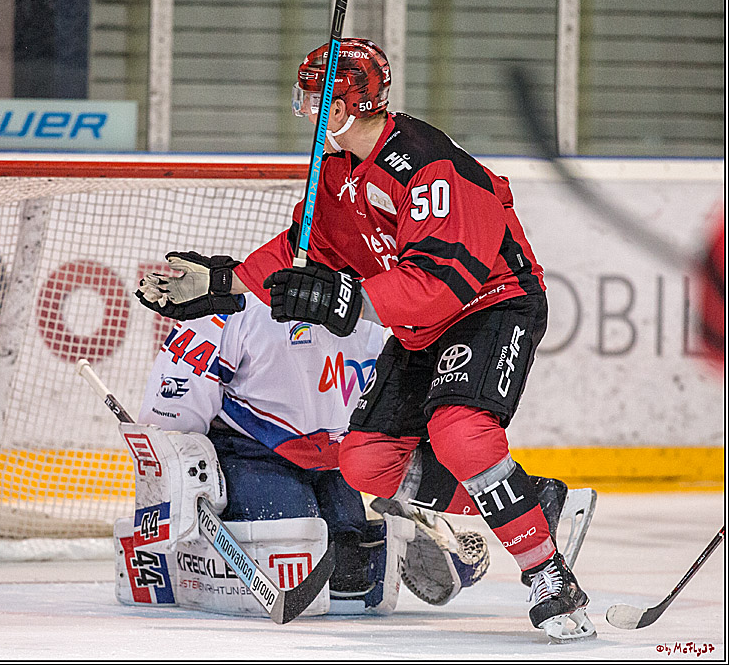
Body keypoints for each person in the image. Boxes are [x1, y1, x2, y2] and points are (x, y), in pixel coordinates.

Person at [137, 39, 594, 640]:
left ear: (349, 99)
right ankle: (534, 502)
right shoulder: (338, 172)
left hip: (492, 306)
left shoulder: (429, 165)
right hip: (420, 325)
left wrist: (348, 300)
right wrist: (223, 284)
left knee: (460, 432)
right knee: (367, 464)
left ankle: (548, 574)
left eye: (314, 96)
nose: (306, 109)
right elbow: (303, 249)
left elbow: (441, 284)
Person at [137, 280, 489, 613]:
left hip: (335, 460)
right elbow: (170, 418)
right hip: (250, 448)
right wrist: (185, 485)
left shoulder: (380, 310)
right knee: (296, 544)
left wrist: (396, 484)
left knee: (351, 572)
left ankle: (402, 525)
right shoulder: (239, 306)